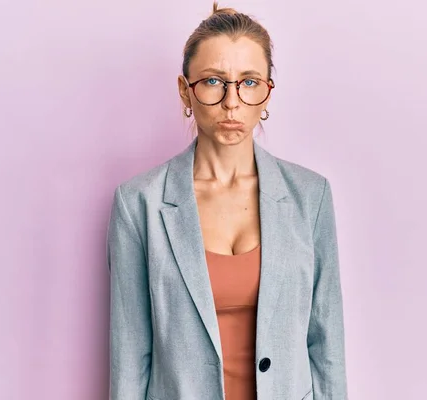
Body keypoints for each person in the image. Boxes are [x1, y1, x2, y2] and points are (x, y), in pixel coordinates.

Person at [107, 2, 347, 399]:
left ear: (268, 93)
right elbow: (130, 359)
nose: (232, 102)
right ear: (186, 90)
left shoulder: (310, 196)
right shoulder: (139, 205)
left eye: (249, 82)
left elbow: (327, 347)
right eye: (214, 81)